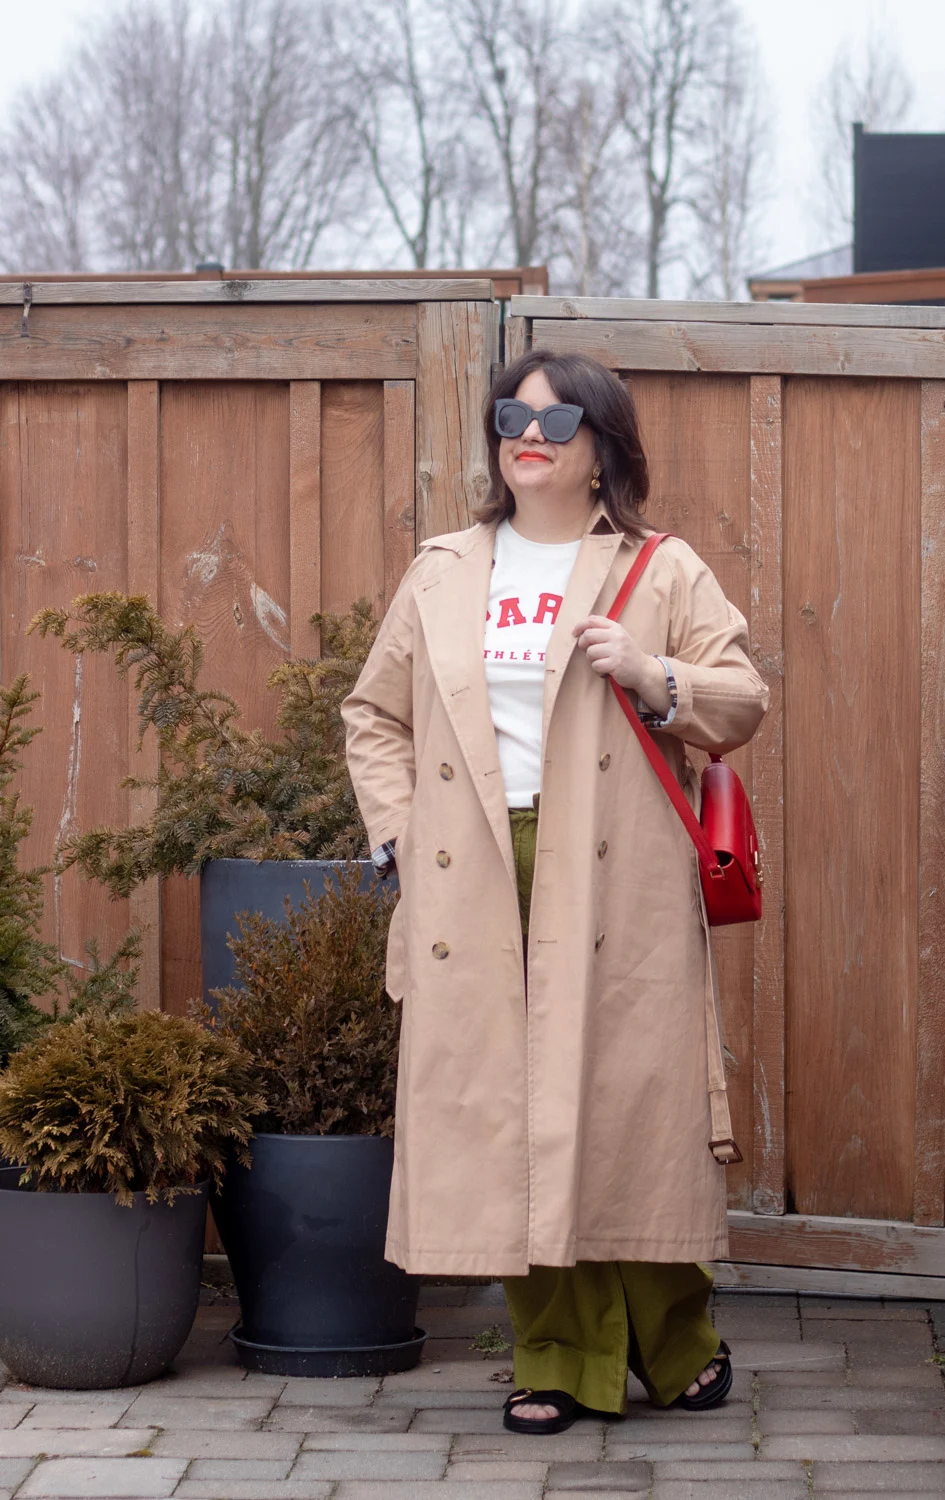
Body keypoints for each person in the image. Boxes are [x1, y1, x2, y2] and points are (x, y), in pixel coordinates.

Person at [342, 348, 769, 1433]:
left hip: (613, 871)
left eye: (556, 418)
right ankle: (555, 1359)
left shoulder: (660, 569)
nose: (527, 436)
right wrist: (400, 832)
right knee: (506, 1122)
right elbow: (373, 716)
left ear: (603, 448)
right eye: (510, 417)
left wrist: (648, 671)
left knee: (622, 1118)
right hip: (475, 868)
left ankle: (677, 1342)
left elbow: (739, 702)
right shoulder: (443, 569)